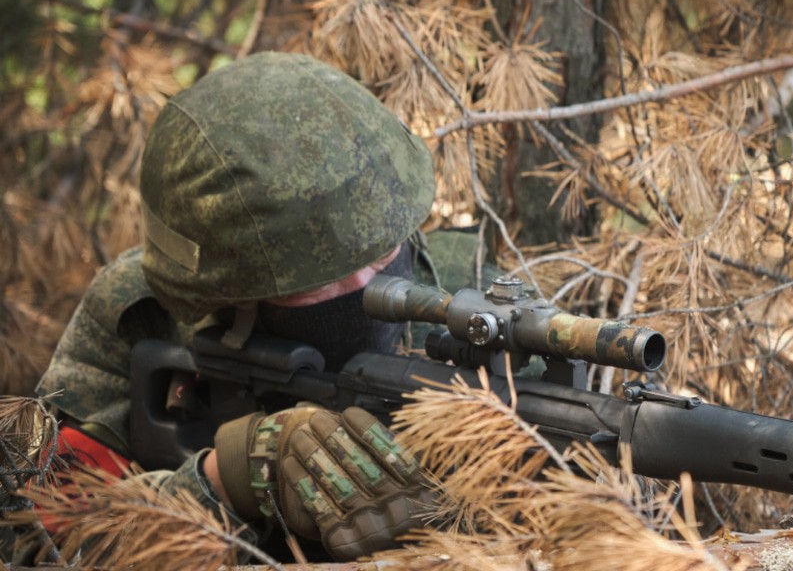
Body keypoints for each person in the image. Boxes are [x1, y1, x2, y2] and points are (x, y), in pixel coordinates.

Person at [22, 52, 490, 561]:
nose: (363, 288)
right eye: (314, 279)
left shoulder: (472, 297)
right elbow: (39, 542)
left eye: (381, 252)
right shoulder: (144, 315)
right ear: (226, 295)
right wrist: (226, 478)